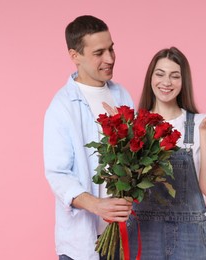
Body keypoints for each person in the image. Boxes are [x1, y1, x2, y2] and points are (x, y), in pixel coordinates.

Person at [43, 15, 134, 260]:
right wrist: (97, 205)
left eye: (112, 48)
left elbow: (133, 157)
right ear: (75, 56)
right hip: (83, 245)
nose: (110, 58)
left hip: (124, 236)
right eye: (99, 52)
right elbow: (58, 174)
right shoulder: (62, 106)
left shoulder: (122, 95)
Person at [126, 46, 206, 259]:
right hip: (144, 235)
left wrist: (204, 133)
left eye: (174, 76)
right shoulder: (134, 126)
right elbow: (123, 193)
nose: (166, 82)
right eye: (160, 74)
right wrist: (121, 134)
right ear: (150, 78)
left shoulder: (203, 124)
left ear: (184, 82)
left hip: (190, 238)